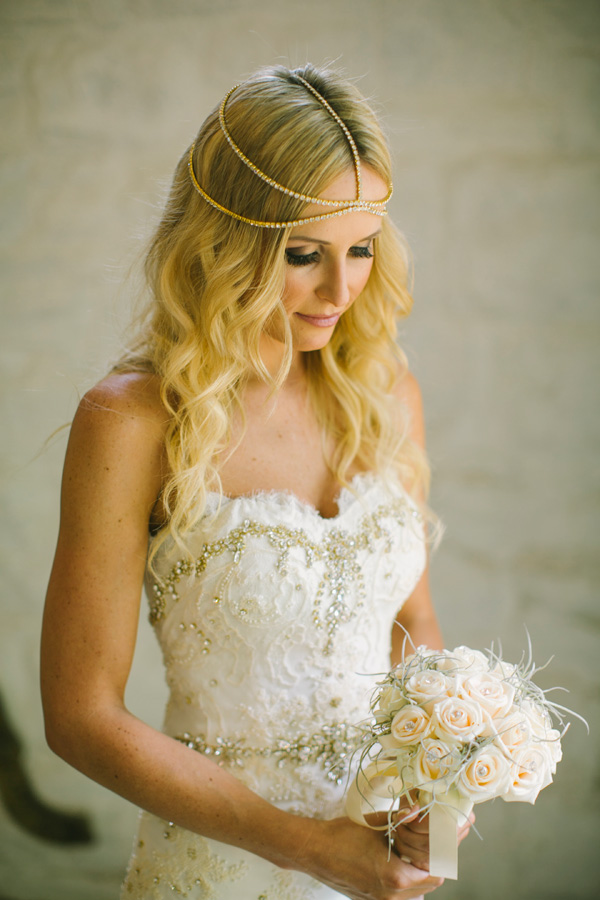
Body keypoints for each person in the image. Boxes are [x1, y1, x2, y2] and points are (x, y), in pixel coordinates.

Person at [41, 64, 471, 899]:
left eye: (361, 250)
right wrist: (308, 849)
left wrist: (440, 787)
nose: (341, 291)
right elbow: (79, 718)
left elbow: (411, 623)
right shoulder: (132, 423)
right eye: (304, 254)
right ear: (226, 239)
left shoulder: (385, 396)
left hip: (372, 860)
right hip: (217, 868)